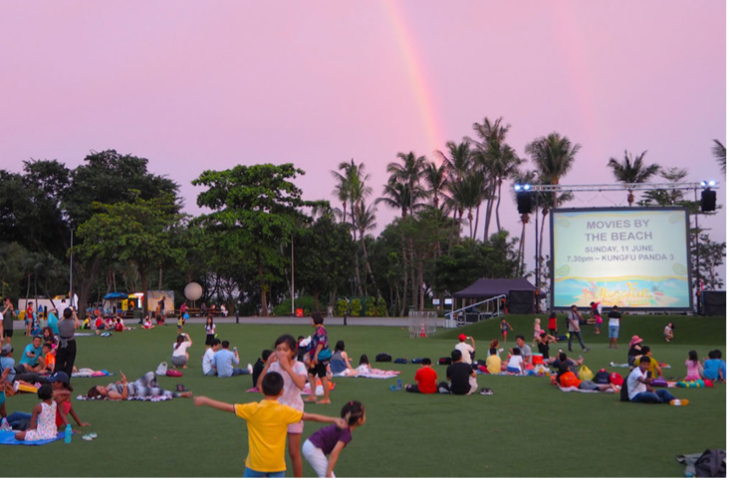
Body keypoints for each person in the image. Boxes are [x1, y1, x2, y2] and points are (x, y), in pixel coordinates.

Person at [194, 372, 347, 479]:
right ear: (281, 392)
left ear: (261, 389)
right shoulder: (285, 411)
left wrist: (206, 400)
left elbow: (228, 407)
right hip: (277, 467)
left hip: (255, 466)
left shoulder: (252, 409)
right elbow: (310, 416)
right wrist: (333, 419)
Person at [257, 335, 309, 479]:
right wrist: (268, 364)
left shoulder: (299, 366)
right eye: (278, 349)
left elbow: (301, 384)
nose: (281, 353)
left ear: (293, 351)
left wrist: (286, 367)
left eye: (285, 350)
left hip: (293, 412)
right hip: (274, 412)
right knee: (271, 450)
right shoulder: (273, 367)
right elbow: (260, 385)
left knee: (293, 452)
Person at [302, 401, 366, 478]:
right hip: (313, 449)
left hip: (311, 445)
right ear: (359, 420)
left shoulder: (342, 424)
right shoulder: (346, 433)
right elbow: (334, 453)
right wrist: (328, 472)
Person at [87, 371, 192, 400]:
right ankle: (180, 395)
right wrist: (124, 383)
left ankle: (155, 391)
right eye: (101, 389)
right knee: (159, 392)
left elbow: (116, 385)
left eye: (100, 386)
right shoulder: (110, 394)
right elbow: (124, 397)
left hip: (135, 384)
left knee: (151, 374)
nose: (102, 387)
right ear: (100, 394)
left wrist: (120, 383)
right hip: (137, 391)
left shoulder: (109, 387)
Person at [305, 313, 332, 405]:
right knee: (311, 374)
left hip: (320, 357)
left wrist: (316, 355)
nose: (311, 321)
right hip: (315, 357)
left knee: (322, 376)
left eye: (312, 319)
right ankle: (313, 395)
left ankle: (326, 398)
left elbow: (321, 343)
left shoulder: (320, 331)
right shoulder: (319, 330)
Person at [55, 307, 80, 379]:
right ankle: (66, 379)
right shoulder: (73, 323)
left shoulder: (60, 323)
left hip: (62, 342)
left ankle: (58, 378)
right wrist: (74, 314)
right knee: (69, 362)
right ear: (71, 315)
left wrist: (64, 316)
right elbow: (78, 323)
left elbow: (59, 322)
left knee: (59, 361)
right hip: (71, 342)